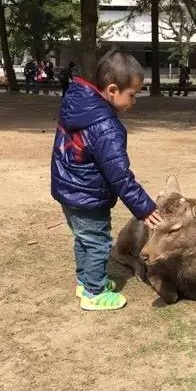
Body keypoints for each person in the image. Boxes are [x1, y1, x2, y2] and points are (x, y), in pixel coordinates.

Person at [51, 49, 163, 311]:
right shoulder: (106, 127)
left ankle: (86, 281)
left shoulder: (79, 106)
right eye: (132, 95)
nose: (134, 102)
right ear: (112, 90)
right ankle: (94, 292)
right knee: (98, 242)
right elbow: (119, 175)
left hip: (69, 189)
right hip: (88, 194)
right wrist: (144, 207)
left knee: (84, 239)